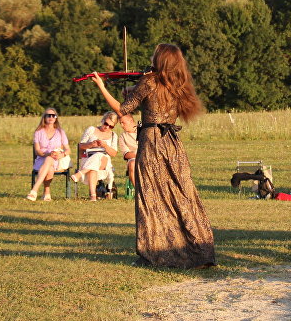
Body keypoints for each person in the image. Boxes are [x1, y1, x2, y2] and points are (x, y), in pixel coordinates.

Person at [92, 43, 216, 269]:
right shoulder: (178, 84)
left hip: (152, 142)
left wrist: (102, 87)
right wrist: (135, 89)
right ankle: (198, 250)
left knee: (152, 197)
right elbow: (151, 100)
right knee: (181, 194)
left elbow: (123, 109)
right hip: (172, 144)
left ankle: (156, 253)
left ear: (160, 59)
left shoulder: (149, 81)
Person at [70, 112, 119, 201]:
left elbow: (114, 153)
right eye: (106, 124)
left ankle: (80, 173)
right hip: (88, 158)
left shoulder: (113, 136)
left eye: (111, 126)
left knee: (99, 155)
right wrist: (91, 144)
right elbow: (80, 146)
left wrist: (105, 146)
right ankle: (93, 196)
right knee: (94, 166)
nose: (107, 127)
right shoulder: (91, 129)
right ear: (103, 120)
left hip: (104, 161)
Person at [26, 108, 71, 201]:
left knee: (50, 160)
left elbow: (68, 150)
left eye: (53, 115)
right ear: (44, 117)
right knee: (49, 164)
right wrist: (47, 154)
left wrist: (61, 155)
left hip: (57, 159)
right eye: (48, 115)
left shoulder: (60, 132)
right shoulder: (38, 132)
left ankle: (34, 190)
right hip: (41, 159)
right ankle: (46, 193)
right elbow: (37, 151)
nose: (51, 117)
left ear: (56, 118)